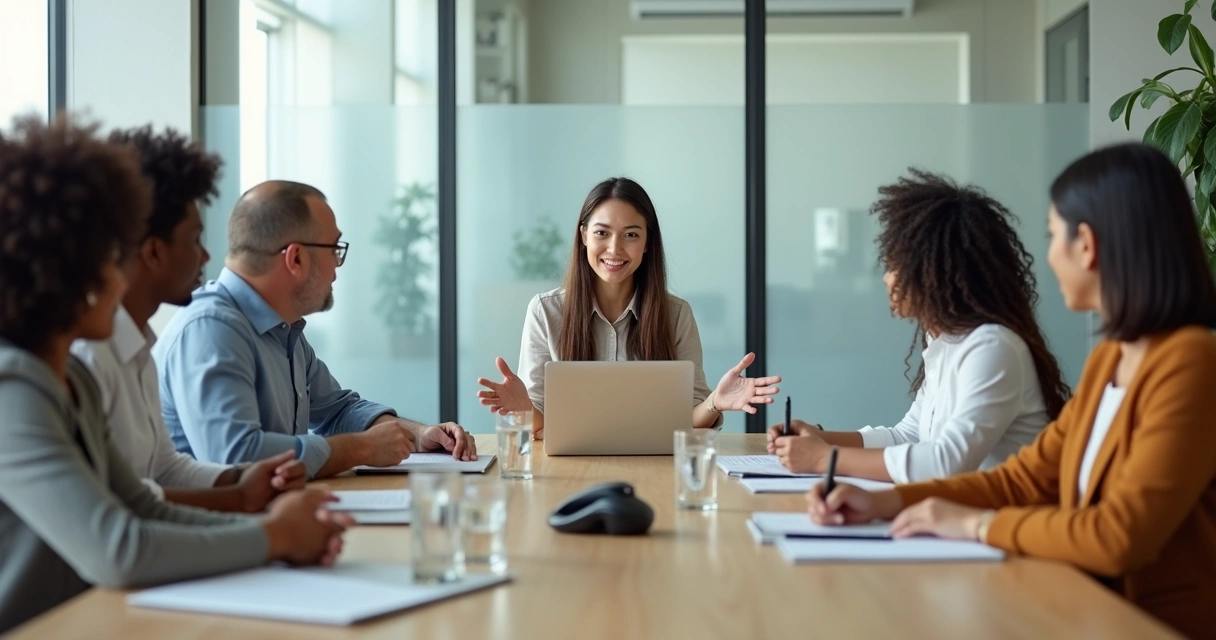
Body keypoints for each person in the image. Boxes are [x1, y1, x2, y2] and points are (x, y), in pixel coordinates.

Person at [806, 143, 1216, 639]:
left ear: (1086, 244)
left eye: (1052, 234)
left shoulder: (1191, 361)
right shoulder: (1113, 359)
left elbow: (1119, 535)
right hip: (1075, 601)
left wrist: (973, 525)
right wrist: (887, 503)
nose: (1047, 254)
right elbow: (1021, 481)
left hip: (1144, 622)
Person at [0, 115, 352, 633]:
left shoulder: (70, 379)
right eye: (113, 256)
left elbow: (142, 503)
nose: (122, 275)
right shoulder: (14, 390)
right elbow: (119, 547)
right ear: (65, 268)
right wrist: (274, 537)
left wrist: (258, 515)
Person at [154, 180, 476, 479]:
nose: (338, 264)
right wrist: (361, 448)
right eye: (334, 249)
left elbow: (338, 411)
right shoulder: (212, 330)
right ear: (295, 259)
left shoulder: (285, 328)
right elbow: (236, 458)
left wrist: (417, 434)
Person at [766, 170, 1070, 484]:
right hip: (952, 518)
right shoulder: (945, 341)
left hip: (995, 525)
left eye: (894, 267)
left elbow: (945, 462)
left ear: (932, 274)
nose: (886, 278)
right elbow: (909, 435)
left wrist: (823, 458)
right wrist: (820, 438)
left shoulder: (994, 348)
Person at [71, 126, 306, 513]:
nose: (205, 256)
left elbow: (163, 467)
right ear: (153, 252)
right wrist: (247, 507)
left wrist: (242, 479)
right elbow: (116, 503)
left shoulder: (139, 344)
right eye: (194, 240)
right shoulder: (91, 357)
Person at [477, 177, 780, 439]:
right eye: (602, 233)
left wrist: (715, 401)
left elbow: (689, 423)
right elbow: (540, 424)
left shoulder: (676, 314)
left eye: (631, 235)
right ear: (583, 235)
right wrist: (525, 409)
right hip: (568, 470)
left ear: (648, 242)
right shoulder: (545, 312)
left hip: (657, 471)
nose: (614, 248)